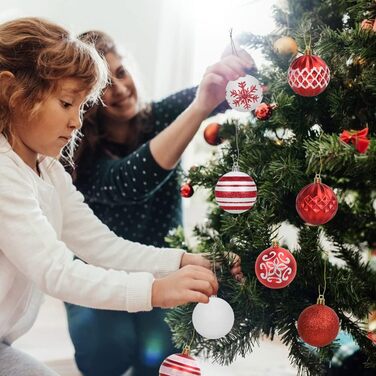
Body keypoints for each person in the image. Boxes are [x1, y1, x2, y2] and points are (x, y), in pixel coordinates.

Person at [0, 17, 241, 376]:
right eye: (67, 103)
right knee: (106, 346)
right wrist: (156, 290)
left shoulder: (47, 169)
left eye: (81, 108)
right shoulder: (6, 173)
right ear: (11, 94)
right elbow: (56, 271)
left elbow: (101, 246)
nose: (76, 122)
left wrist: (183, 261)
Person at [65, 30, 252, 376]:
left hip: (167, 266)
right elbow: (130, 181)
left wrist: (236, 67)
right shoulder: (78, 153)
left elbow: (225, 94)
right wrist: (199, 106)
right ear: (84, 99)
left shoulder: (161, 114)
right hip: (99, 274)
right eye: (103, 84)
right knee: (107, 351)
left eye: (120, 72)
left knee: (162, 358)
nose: (119, 88)